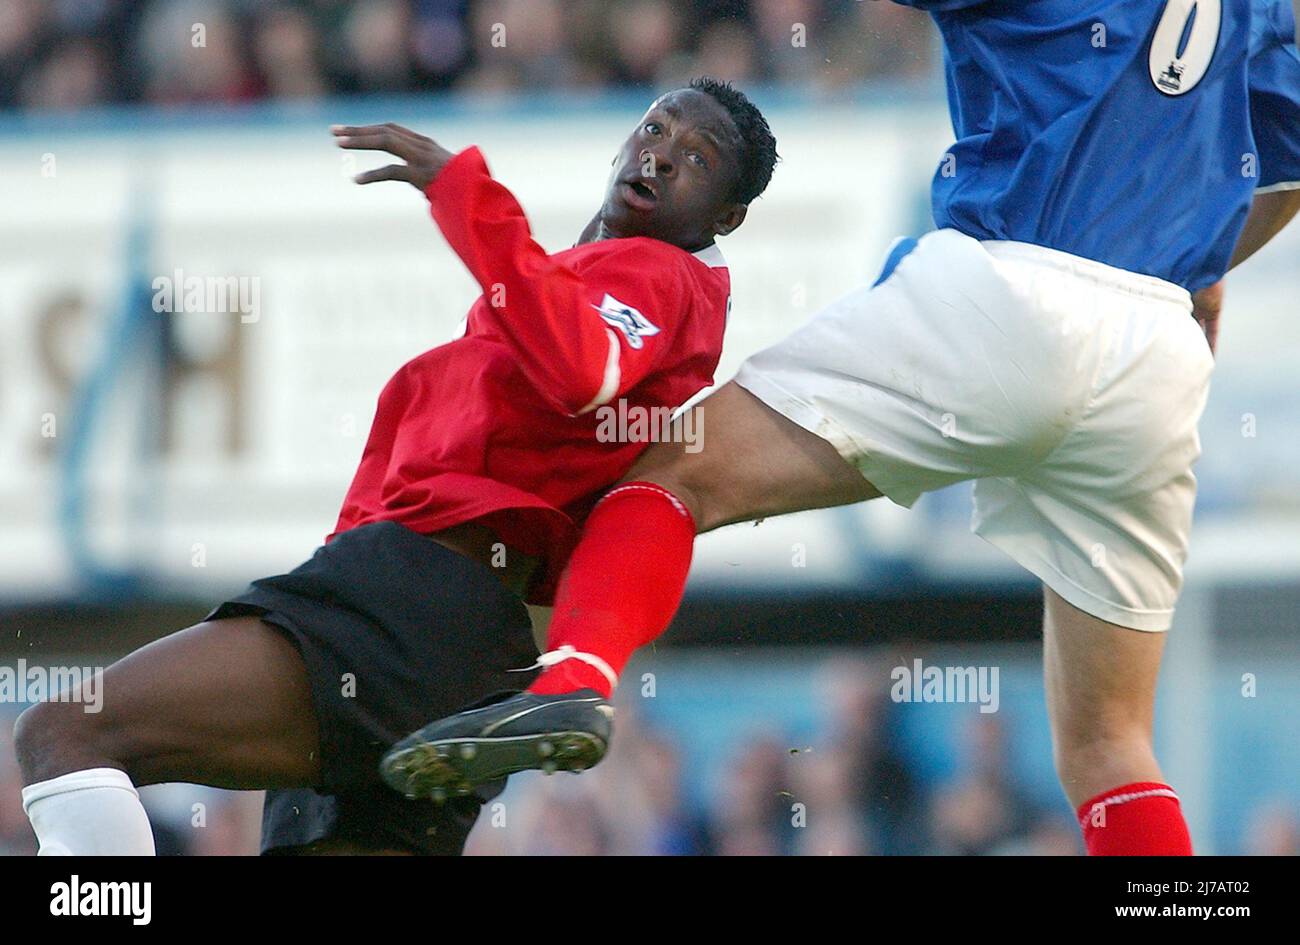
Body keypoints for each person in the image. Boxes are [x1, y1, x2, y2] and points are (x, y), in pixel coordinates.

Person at [390, 0, 1300, 857]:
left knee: (669, 473)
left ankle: (574, 683)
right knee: (1110, 744)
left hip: (1014, 288)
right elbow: (1285, 168)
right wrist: (1199, 260)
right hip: (1159, 350)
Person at [12, 77, 778, 855]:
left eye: (697, 157)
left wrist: (461, 191)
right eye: (654, 130)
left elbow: (582, 365)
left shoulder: (657, 276)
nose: (661, 156)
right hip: (457, 648)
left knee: (63, 733)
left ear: (727, 217)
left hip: (412, 610)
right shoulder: (597, 277)